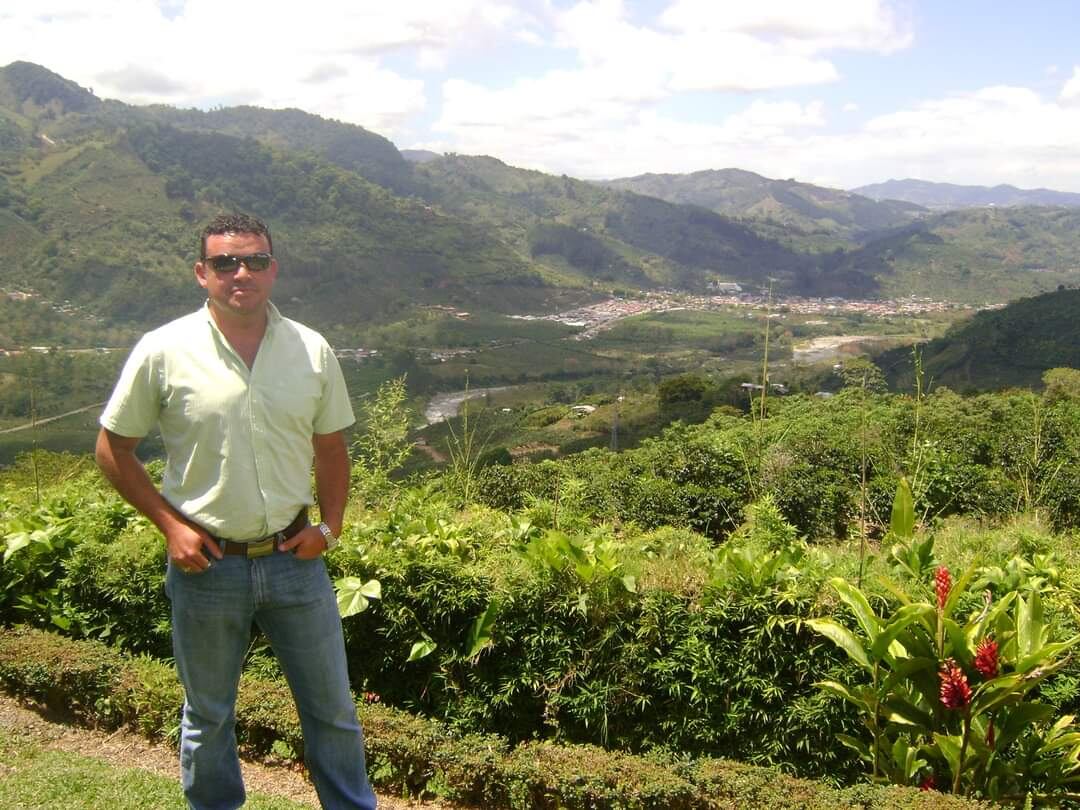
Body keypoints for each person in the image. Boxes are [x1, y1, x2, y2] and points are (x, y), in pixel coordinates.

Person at [95, 212, 377, 810]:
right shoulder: (164, 350)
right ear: (202, 273)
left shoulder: (311, 349)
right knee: (209, 714)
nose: (241, 273)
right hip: (208, 562)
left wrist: (330, 528)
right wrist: (170, 526)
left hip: (295, 560)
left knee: (332, 710)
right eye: (225, 262)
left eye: (254, 260)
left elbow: (331, 447)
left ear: (274, 269)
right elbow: (112, 448)